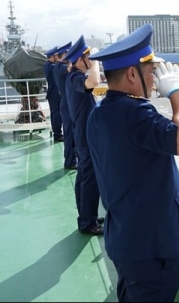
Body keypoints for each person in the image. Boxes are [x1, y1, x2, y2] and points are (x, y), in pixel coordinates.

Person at [87, 24, 179, 302]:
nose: (154, 81)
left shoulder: (100, 113)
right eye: (150, 73)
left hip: (128, 238)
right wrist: (176, 93)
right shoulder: (134, 113)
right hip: (151, 246)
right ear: (131, 74)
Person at [63, 36, 103, 235]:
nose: (92, 61)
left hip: (83, 131)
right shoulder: (77, 77)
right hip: (85, 134)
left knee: (84, 176)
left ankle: (87, 217)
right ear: (81, 59)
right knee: (90, 178)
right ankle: (88, 223)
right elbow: (94, 81)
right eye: (88, 57)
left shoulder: (73, 76)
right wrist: (95, 61)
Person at [53, 41, 77, 169]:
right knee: (69, 133)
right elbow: (69, 69)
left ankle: (72, 159)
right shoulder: (61, 66)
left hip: (67, 101)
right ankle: (70, 162)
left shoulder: (58, 65)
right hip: (67, 103)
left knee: (72, 132)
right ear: (66, 54)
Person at [43, 46, 63, 141]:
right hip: (54, 93)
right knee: (56, 114)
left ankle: (58, 133)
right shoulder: (51, 66)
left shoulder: (48, 65)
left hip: (53, 93)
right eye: (56, 56)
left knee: (56, 113)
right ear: (52, 57)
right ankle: (57, 134)